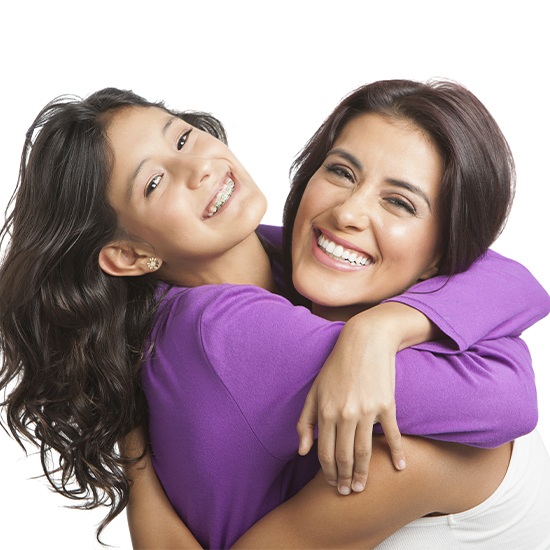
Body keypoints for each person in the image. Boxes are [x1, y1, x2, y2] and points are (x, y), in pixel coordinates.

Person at [0, 81, 547, 548]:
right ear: (130, 255)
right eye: (153, 181)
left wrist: (382, 327)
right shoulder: (229, 332)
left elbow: (511, 279)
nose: (198, 168)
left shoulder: (276, 259)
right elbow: (506, 397)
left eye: (183, 137)